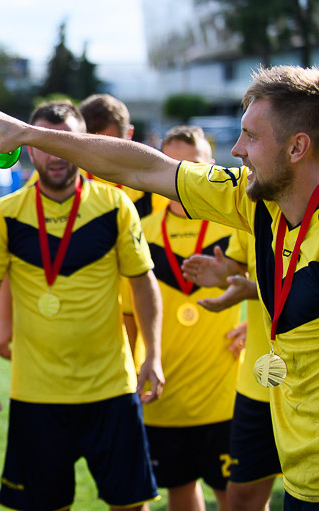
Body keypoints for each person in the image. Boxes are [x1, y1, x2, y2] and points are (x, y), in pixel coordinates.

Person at [0, 64, 319, 508]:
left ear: (297, 147)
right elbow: (144, 168)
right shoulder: (251, 201)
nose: (237, 149)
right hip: (302, 471)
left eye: (251, 136)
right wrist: (27, 135)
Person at [0, 100, 164, 511]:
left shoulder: (114, 205)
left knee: (131, 504)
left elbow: (144, 284)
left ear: (80, 143)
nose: (55, 155)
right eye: (44, 143)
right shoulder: (4, 214)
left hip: (112, 386)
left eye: (65, 142)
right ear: (29, 147)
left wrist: (153, 354)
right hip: (36, 393)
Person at [141, 126, 239, 511]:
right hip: (164, 395)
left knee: (240, 498)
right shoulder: (140, 229)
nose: (183, 176)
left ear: (212, 168)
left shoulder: (238, 224)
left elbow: (277, 288)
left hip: (228, 395)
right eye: (172, 165)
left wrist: (259, 324)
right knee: (180, 492)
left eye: (193, 166)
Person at [181, 229, 282, 511]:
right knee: (242, 498)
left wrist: (256, 291)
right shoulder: (254, 194)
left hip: (311, 386)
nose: (248, 180)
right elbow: (244, 265)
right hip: (258, 385)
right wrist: (227, 272)